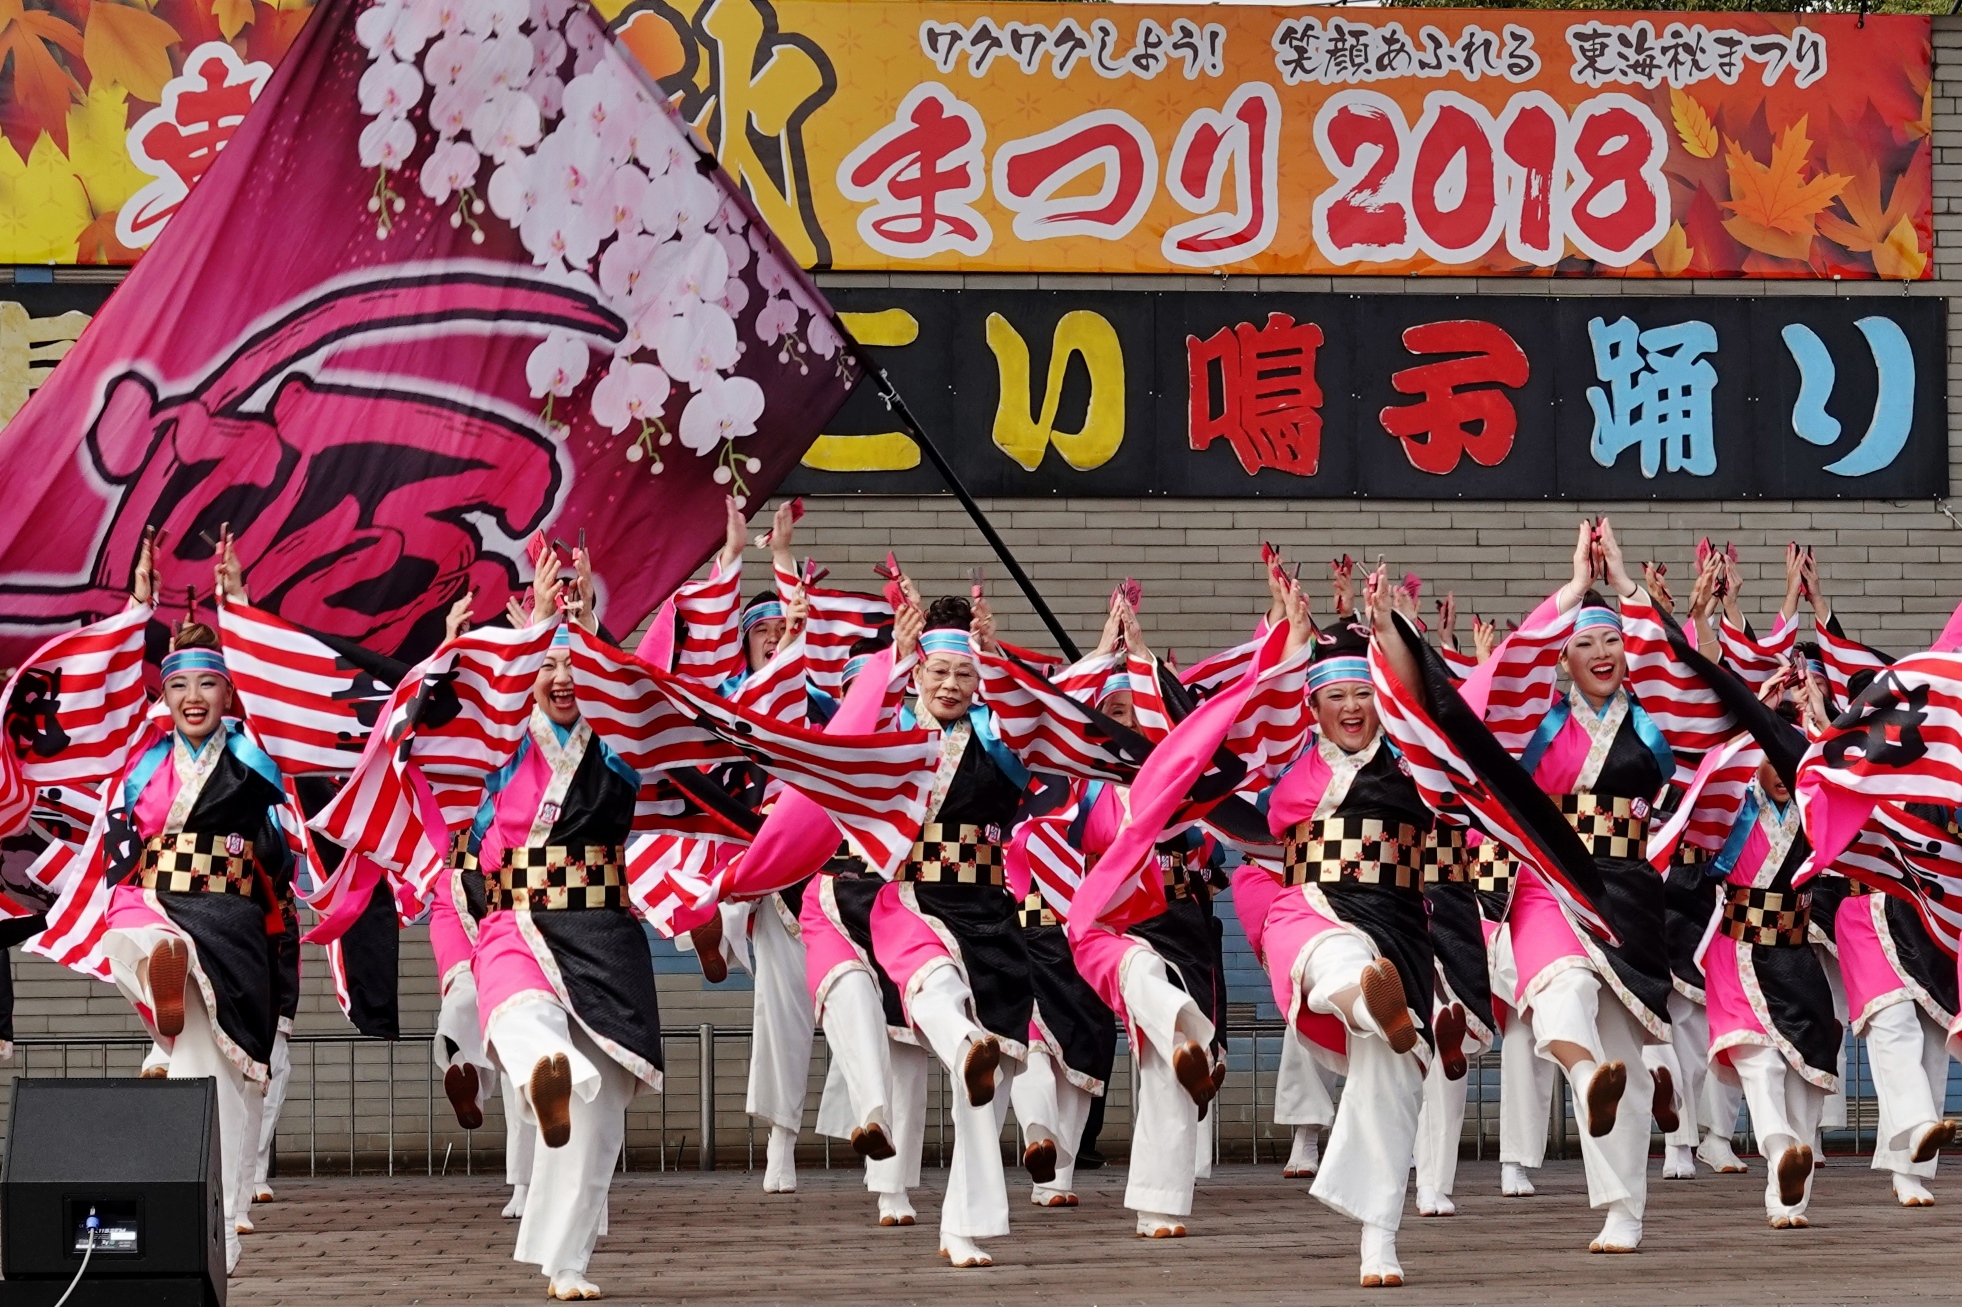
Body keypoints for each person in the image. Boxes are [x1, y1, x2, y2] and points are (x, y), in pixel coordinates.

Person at [97, 530, 290, 1273]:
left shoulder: (250, 755)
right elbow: (109, 697)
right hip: (160, 902)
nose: (192, 698)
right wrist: (138, 607)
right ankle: (199, 1212)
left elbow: (274, 693)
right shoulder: (144, 760)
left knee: (227, 1071)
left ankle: (228, 1208)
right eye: (177, 685)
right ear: (165, 695)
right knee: (128, 931)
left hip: (233, 917)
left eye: (207, 683)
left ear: (228, 690)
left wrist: (235, 603)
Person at [1250, 564, 1439, 1287]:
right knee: (1332, 955)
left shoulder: (1410, 766)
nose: (1353, 706)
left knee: (1392, 1077)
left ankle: (1378, 1240)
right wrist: (1283, 632)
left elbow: (1431, 707)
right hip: (1312, 904)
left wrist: (1388, 626)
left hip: (1397, 921)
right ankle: (1366, 996)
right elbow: (1244, 721)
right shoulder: (1290, 764)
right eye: (1336, 695)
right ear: (1314, 704)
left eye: (1364, 691)